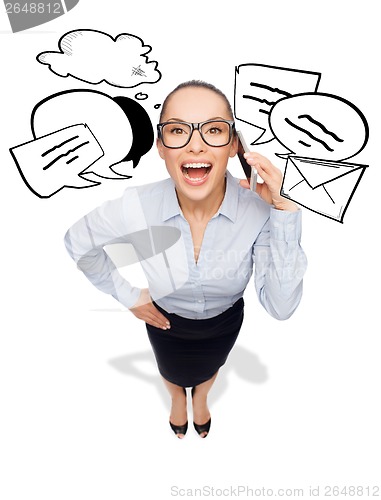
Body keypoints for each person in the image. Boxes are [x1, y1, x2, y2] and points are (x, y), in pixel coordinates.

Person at [64, 80, 307, 439]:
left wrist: (285, 211)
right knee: (170, 369)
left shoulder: (261, 211)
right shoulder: (135, 206)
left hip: (224, 322)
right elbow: (78, 242)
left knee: (212, 366)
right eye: (178, 130)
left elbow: (281, 306)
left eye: (214, 130)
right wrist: (128, 295)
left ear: (234, 145)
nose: (196, 144)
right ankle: (178, 399)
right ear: (161, 147)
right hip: (164, 320)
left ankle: (202, 398)